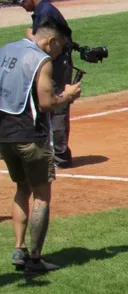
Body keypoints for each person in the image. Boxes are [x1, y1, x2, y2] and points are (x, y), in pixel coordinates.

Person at [0, 19, 80, 273]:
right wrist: (67, 96)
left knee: (21, 189)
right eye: (60, 47)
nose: (59, 53)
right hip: (31, 135)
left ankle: (19, 248)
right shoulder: (41, 60)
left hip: (4, 135)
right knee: (42, 197)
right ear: (51, 41)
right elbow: (46, 103)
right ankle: (35, 259)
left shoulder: (6, 50)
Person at [18, 0, 74, 169]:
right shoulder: (43, 10)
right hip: (52, 62)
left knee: (57, 105)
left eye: (21, 0)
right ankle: (52, 152)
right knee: (48, 104)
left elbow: (46, 43)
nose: (21, 4)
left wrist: (30, 36)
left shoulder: (46, 12)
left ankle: (60, 156)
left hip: (57, 64)